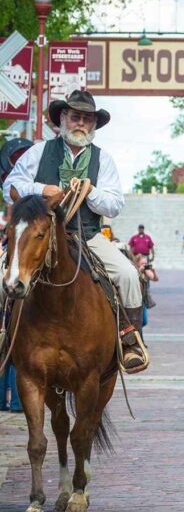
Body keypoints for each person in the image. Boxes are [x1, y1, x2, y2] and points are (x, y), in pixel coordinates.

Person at [2, 90, 150, 373]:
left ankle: (130, 340)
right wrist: (42, 190)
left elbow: (115, 205)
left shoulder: (102, 160)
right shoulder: (38, 152)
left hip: (88, 236)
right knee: (3, 274)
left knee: (129, 274)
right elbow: (11, 188)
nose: (80, 123)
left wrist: (90, 190)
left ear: (93, 125)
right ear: (62, 119)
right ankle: (4, 336)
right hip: (39, 236)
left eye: (86, 119)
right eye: (75, 117)